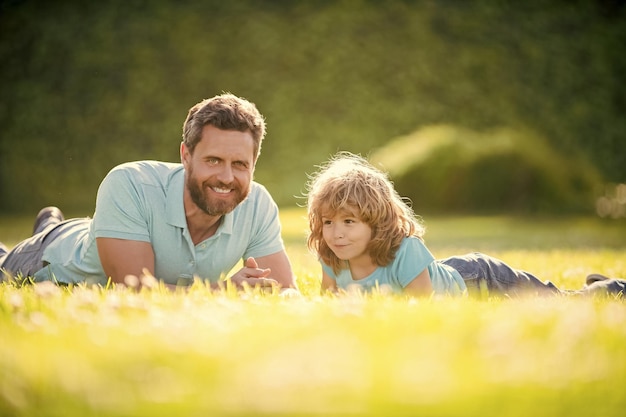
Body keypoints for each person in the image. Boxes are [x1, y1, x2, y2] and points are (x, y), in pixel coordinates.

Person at [0, 93, 297, 291]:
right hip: (46, 258)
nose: (227, 177)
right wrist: (226, 291)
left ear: (254, 163)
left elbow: (285, 292)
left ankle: (49, 221)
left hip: (107, 230)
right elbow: (135, 289)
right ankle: (48, 229)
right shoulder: (129, 183)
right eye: (213, 160)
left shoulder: (257, 203)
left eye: (240, 164)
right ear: (185, 155)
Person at [305, 152, 625, 298]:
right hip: (447, 273)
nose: (337, 232)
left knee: (560, 305)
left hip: (480, 279)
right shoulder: (334, 255)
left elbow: (423, 311)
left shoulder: (405, 250)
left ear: (377, 222)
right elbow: (328, 304)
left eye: (349, 221)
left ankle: (609, 289)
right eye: (328, 222)